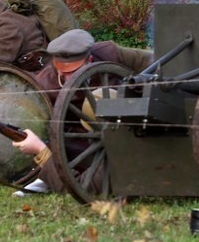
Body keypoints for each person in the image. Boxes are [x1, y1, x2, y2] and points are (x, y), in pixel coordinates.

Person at [12, 29, 153, 193]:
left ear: (90, 59)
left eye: (73, 71)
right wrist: (43, 154)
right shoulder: (44, 85)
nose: (67, 78)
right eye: (62, 72)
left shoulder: (109, 52)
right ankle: (48, 178)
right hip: (83, 146)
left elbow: (154, 61)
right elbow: (40, 131)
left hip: (134, 125)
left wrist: (140, 87)